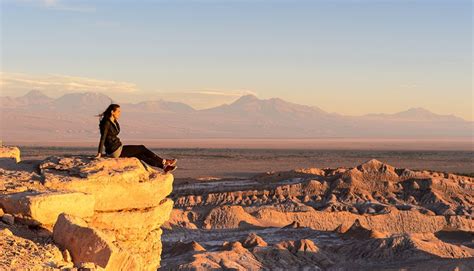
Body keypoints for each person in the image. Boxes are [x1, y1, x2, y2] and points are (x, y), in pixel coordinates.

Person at [95, 104, 177, 173]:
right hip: (115, 150)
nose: (120, 113)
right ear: (112, 112)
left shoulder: (113, 122)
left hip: (118, 148)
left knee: (140, 155)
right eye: (118, 111)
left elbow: (116, 131)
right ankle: (164, 161)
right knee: (141, 148)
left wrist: (115, 120)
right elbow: (103, 138)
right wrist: (99, 153)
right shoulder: (106, 123)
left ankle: (164, 167)